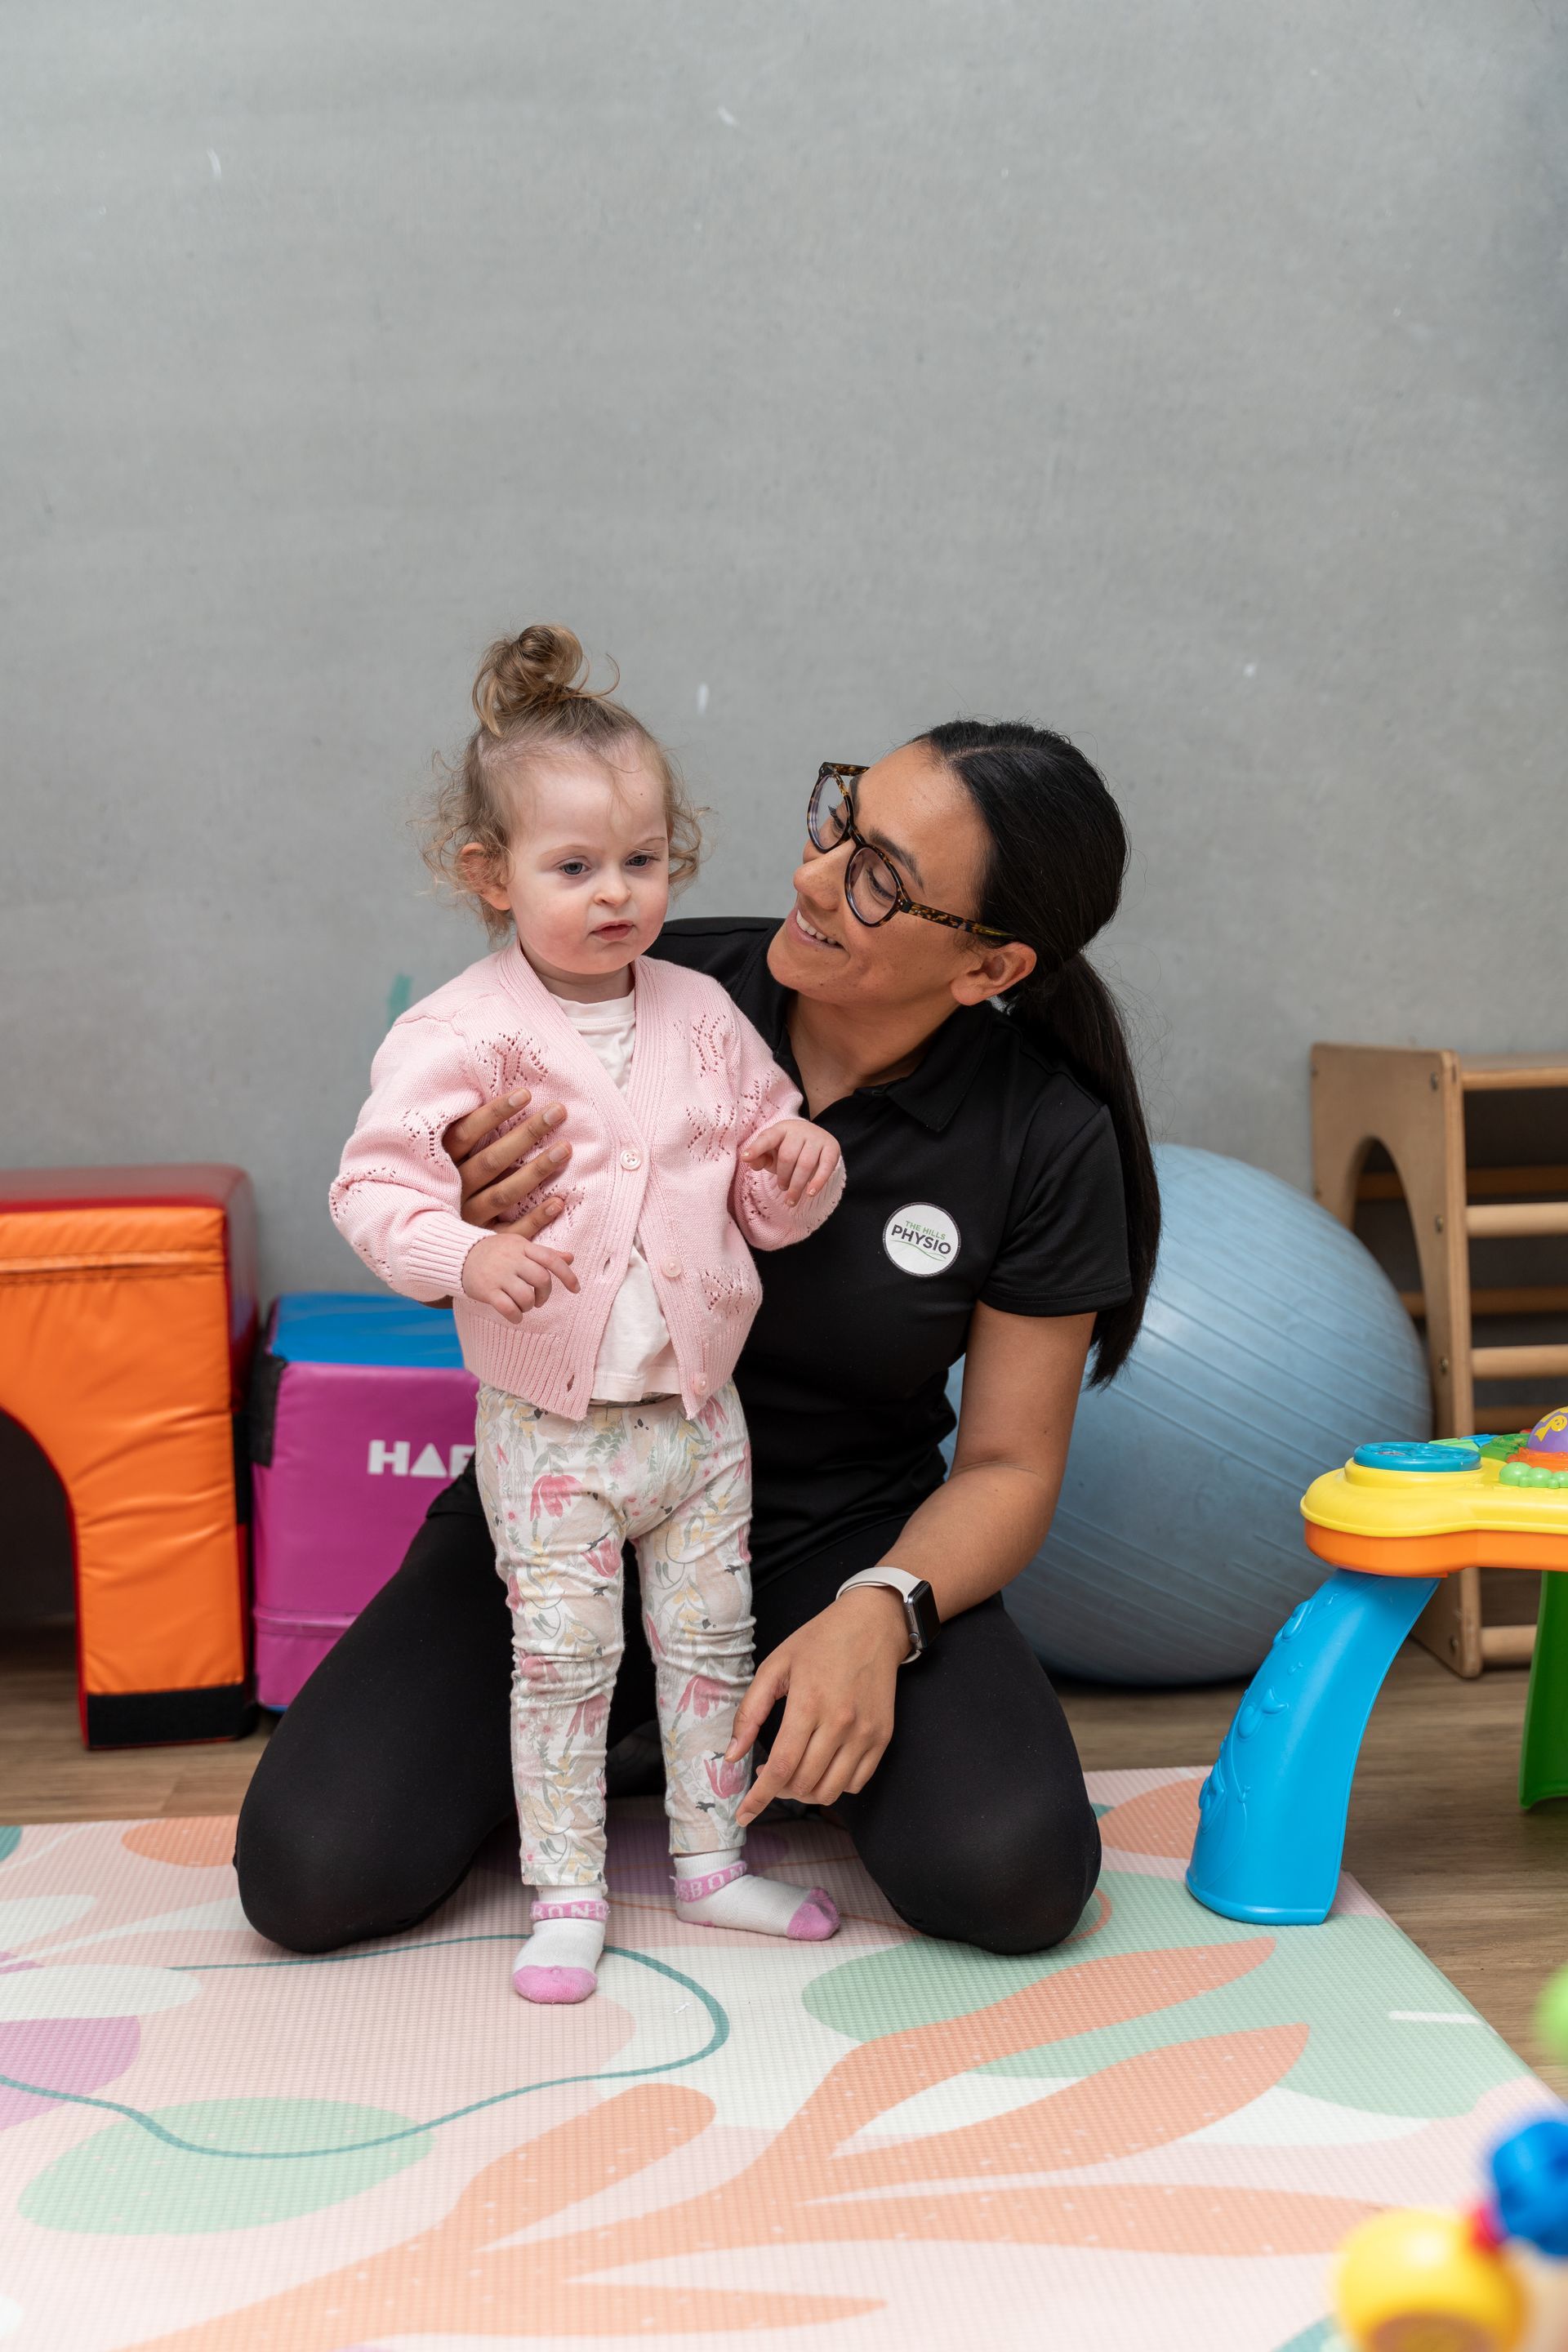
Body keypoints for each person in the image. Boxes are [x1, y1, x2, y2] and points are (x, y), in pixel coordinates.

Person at [237, 689, 1160, 1962]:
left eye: (881, 878)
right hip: (563, 1490)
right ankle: (626, 1726)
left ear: (991, 967)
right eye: (842, 822)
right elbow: (415, 1163)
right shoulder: (652, 979)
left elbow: (1008, 1465)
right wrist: (464, 1195)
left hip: (833, 1535)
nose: (817, 875)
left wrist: (878, 1613)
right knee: (313, 1872)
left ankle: (685, 1728)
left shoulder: (1043, 1135)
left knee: (1012, 1876)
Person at [328, 625, 846, 2002]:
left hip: (698, 1421)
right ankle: (566, 1888)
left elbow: (760, 1178)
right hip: (554, 1431)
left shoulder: (701, 1014)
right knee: (560, 1662)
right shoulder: (458, 1034)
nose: (616, 895)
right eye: (573, 869)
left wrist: (801, 1169)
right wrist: (457, 1254)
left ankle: (712, 1859)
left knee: (708, 1646)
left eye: (644, 861)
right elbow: (372, 1189)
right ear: (488, 876)